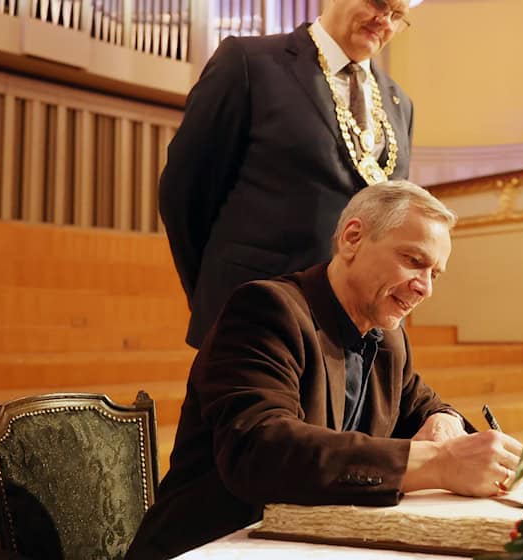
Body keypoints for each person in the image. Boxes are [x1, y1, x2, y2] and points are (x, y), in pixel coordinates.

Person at [125, 182, 523, 559]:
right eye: (413, 261)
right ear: (352, 238)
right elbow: (260, 450)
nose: (425, 288)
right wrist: (437, 463)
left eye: (434, 273)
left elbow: (425, 404)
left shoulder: (389, 339)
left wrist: (444, 420)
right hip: (209, 545)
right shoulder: (267, 309)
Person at [160, 0, 415, 348]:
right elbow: (184, 193)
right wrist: (213, 293)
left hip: (352, 333)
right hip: (254, 319)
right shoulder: (249, 63)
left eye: (398, 15)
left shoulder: (400, 102)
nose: (384, 19)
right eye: (378, 2)